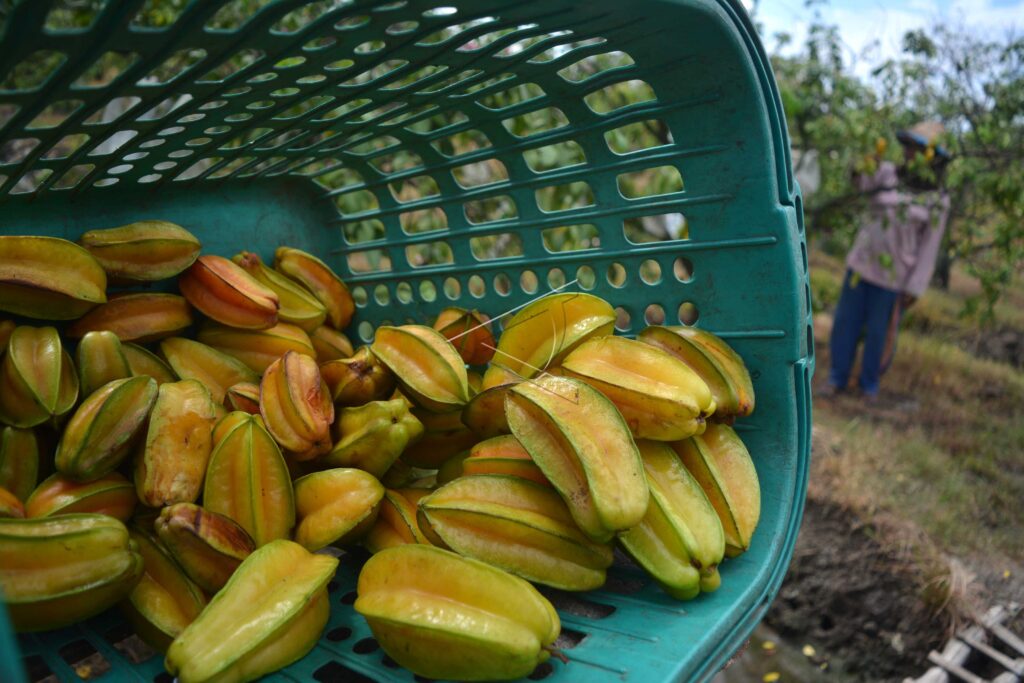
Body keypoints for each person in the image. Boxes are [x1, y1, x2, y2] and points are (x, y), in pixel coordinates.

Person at [824, 121, 952, 400]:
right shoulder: (886, 174)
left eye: (919, 149)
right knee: (846, 323)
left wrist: (914, 288)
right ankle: (837, 378)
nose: (910, 154)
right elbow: (860, 183)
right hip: (861, 264)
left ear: (933, 158)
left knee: (879, 334)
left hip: (894, 277)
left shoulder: (937, 199)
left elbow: (929, 248)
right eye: (909, 147)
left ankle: (868, 387)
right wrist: (863, 163)